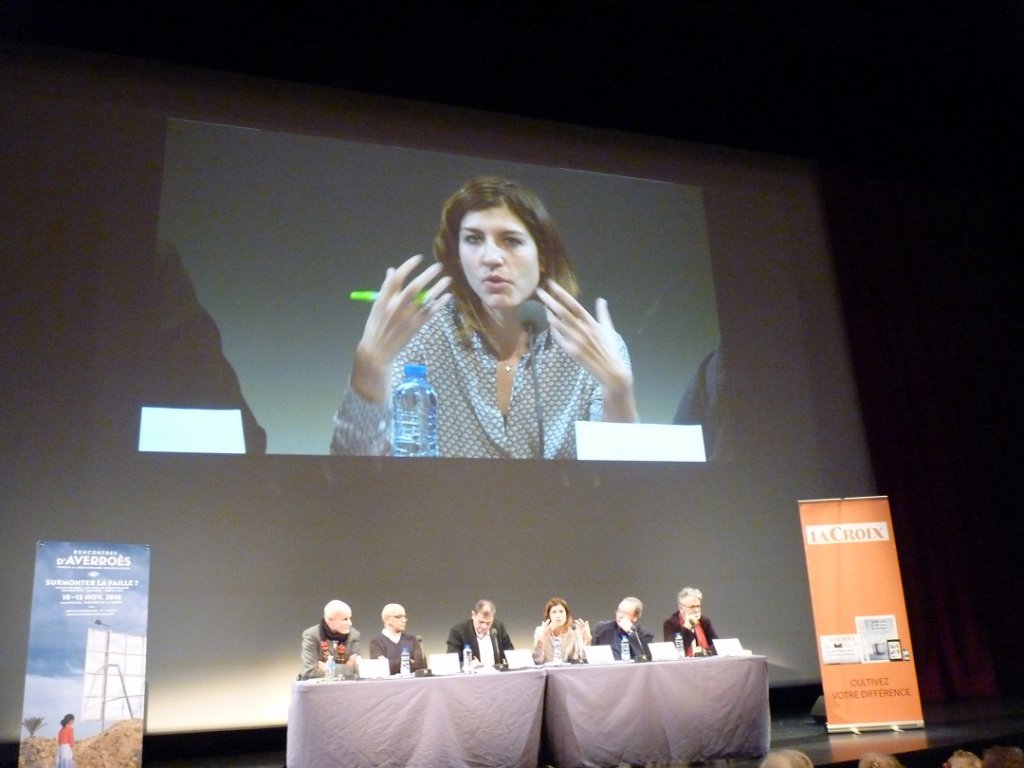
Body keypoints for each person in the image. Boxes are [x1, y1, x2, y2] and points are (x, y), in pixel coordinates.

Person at [330, 175, 638, 459]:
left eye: (511, 241)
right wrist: (369, 364)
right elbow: (352, 469)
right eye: (474, 239)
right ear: (458, 255)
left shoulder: (590, 344)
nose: (490, 258)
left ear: (543, 257)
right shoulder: (422, 333)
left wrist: (619, 392)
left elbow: (621, 485)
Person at [299, 599, 362, 680]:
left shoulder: (354, 635)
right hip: (319, 689)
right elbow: (310, 672)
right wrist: (346, 667)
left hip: (345, 688)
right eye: (345, 619)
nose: (350, 623)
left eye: (350, 618)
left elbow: (357, 670)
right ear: (330, 620)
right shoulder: (311, 635)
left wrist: (325, 667)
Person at [446, 599, 514, 668]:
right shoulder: (459, 631)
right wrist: (468, 665)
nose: (484, 626)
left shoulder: (498, 627)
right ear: (473, 615)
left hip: (497, 675)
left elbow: (511, 653)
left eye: (488, 623)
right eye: (481, 622)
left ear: (493, 618)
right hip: (471, 677)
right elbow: (452, 662)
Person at [368, 603, 426, 675]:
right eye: (399, 617)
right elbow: (381, 668)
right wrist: (408, 661)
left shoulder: (412, 640)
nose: (404, 620)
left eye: (405, 617)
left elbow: (420, 665)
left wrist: (393, 663)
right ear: (387, 620)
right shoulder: (376, 643)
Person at [532, 596, 592, 664]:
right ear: (549, 616)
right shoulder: (540, 631)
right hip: (547, 672)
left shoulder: (574, 631)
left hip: (567, 672)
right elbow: (537, 661)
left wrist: (588, 639)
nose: (558, 615)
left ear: (566, 615)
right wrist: (541, 642)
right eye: (554, 612)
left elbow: (583, 658)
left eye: (561, 611)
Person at [663, 586, 719, 656]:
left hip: (705, 663)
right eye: (692, 607)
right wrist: (687, 628)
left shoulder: (704, 621)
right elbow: (674, 651)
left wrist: (703, 652)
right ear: (681, 608)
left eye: (698, 606)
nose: (696, 610)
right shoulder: (670, 624)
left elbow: (717, 645)